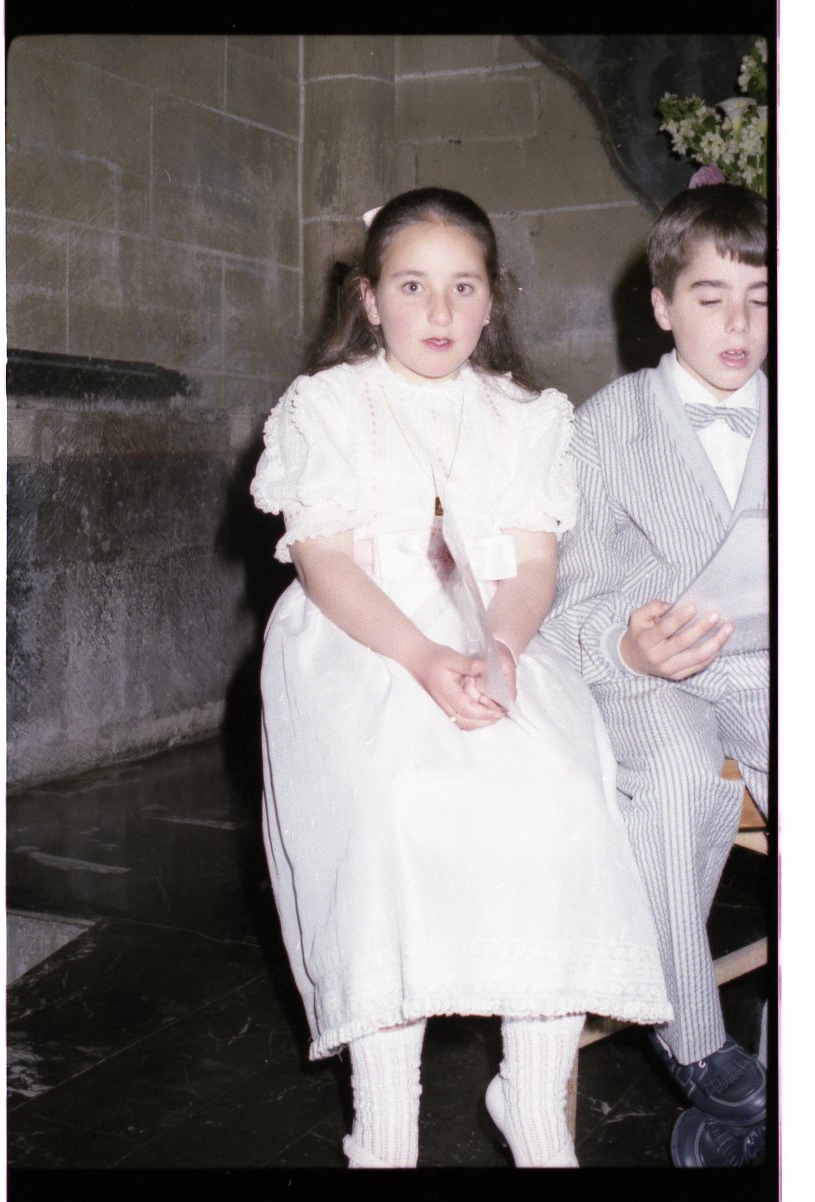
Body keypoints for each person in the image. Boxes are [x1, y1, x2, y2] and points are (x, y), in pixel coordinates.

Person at [251, 187, 670, 1169]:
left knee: (559, 793)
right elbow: (324, 560)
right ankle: (383, 1120)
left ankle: (532, 1097)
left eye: (462, 287)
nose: (438, 310)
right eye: (411, 286)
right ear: (369, 300)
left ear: (492, 300)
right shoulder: (327, 406)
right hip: (360, 637)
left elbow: (529, 566)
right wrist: (421, 657)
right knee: (394, 802)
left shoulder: (524, 415)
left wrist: (500, 648)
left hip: (490, 631)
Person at [540, 182, 769, 1169]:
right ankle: (695, 1040)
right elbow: (563, 598)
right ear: (662, 306)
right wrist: (625, 646)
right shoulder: (606, 423)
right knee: (675, 781)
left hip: (768, 667)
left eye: (761, 299)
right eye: (711, 297)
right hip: (650, 675)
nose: (739, 324)